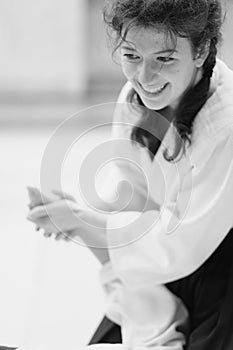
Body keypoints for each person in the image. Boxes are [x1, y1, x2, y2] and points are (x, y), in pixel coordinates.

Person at [27, 0, 233, 349]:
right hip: (162, 264)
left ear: (201, 51)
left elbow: (182, 245)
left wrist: (86, 224)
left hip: (221, 274)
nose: (145, 77)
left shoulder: (226, 122)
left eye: (164, 59)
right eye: (131, 56)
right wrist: (77, 214)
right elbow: (135, 195)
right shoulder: (137, 97)